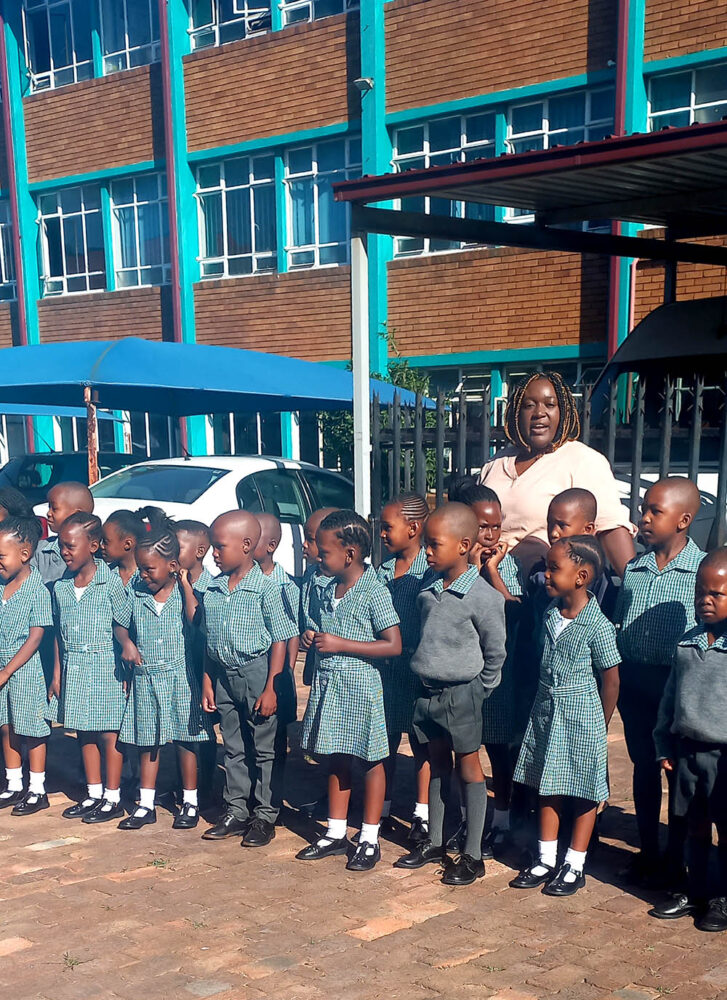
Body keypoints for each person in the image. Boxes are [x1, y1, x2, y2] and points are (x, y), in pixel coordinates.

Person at [394, 503, 506, 887]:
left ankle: (473, 855)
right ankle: (436, 841)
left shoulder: (483, 596)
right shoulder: (428, 587)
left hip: (462, 695)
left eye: (434, 545)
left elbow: (496, 652)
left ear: (462, 546)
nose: (426, 551)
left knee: (469, 769)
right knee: (437, 765)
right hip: (426, 694)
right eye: (425, 544)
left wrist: (480, 689)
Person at [510, 536, 620, 896]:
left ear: (581, 576)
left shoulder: (598, 626)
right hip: (546, 712)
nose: (545, 575)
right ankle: (545, 857)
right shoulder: (549, 614)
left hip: (582, 717)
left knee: (584, 789)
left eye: (554, 568)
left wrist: (599, 724)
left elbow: (611, 678)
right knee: (547, 783)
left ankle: (575, 863)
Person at [296, 510, 402, 873]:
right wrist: (313, 637)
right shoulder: (327, 588)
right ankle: (336, 830)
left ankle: (370, 837)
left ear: (350, 554)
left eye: (325, 553)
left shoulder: (374, 591)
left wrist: (342, 643)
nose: (318, 557)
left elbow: (392, 645)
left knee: (370, 760)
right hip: (331, 684)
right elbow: (322, 629)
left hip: (361, 687)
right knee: (334, 755)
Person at [616, 477, 704, 888]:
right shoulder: (635, 567)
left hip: (677, 688)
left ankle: (678, 858)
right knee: (643, 766)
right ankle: (648, 851)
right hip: (635, 684)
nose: (644, 518)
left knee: (678, 774)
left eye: (655, 511)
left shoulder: (701, 573)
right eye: (644, 509)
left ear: (684, 520)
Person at [200, 512, 297, 848]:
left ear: (245, 546)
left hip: (258, 674)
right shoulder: (212, 589)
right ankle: (237, 808)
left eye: (219, 547)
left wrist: (272, 685)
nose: (213, 553)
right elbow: (207, 639)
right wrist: (208, 680)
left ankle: (266, 813)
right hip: (224, 675)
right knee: (233, 746)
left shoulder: (266, 590)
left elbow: (281, 639)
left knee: (265, 748)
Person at [480, 372, 635, 576]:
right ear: (516, 412)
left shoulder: (582, 460)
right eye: (529, 405)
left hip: (542, 584)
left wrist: (633, 584)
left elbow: (610, 527)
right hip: (484, 580)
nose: (539, 413)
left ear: (563, 411)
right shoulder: (495, 463)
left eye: (550, 404)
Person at [650, 549, 727, 932]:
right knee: (692, 824)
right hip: (687, 752)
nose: (705, 599)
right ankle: (694, 889)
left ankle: (722, 898)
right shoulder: (686, 644)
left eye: (717, 593)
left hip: (723, 757)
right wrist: (664, 744)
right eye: (701, 590)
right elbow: (669, 700)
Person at [118, 516, 210, 831]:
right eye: (140, 568)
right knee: (148, 741)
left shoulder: (186, 593)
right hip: (146, 677)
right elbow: (120, 622)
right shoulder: (136, 591)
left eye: (149, 569)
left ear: (172, 566)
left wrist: (185, 584)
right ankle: (146, 804)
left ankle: (190, 801)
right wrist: (127, 642)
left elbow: (194, 620)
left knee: (186, 741)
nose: (143, 575)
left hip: (181, 677)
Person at [47, 512, 132, 823]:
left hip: (106, 667)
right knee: (84, 731)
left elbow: (124, 625)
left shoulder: (109, 583)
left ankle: (113, 796)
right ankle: (93, 793)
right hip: (75, 667)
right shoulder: (61, 587)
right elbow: (58, 634)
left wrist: (127, 661)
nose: (64, 552)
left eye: (70, 546)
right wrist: (57, 674)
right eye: (61, 546)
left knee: (109, 734)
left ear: (93, 546)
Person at [459, 483, 524, 857]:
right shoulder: (451, 566)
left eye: (496, 527)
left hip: (497, 679)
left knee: (500, 753)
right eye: (483, 527)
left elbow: (511, 611)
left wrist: (492, 572)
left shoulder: (505, 565)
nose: (490, 535)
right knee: (463, 754)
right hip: (461, 677)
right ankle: (469, 820)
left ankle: (501, 821)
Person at [376, 492, 432, 842]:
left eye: (387, 527)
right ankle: (380, 807)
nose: (381, 534)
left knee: (421, 743)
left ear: (413, 528)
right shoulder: (381, 571)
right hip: (386, 669)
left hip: (418, 669)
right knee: (384, 741)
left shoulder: (431, 570)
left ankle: (422, 813)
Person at [0, 516, 53, 815]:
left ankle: (37, 789)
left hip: (24, 670)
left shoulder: (38, 591)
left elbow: (36, 636)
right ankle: (13, 783)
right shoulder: (1, 587)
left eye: (1, 556)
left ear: (24, 554)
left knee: (31, 728)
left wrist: (8, 670)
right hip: (1, 666)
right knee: (6, 726)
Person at [253, 512, 300, 815]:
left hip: (277, 676)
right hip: (251, 672)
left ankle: (272, 801)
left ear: (270, 545)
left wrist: (285, 675)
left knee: (274, 743)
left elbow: (291, 633)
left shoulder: (285, 586)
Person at [176, 518, 218, 804]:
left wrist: (185, 587)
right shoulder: (168, 583)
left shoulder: (210, 587)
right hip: (180, 664)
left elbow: (198, 623)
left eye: (176, 547)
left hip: (204, 664)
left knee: (205, 727)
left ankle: (207, 784)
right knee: (184, 724)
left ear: (200, 550)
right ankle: (184, 784)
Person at [299, 506, 338, 687]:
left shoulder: (341, 580)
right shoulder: (310, 574)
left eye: (311, 540)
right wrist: (306, 634)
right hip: (315, 658)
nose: (304, 544)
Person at [34, 482, 94, 586]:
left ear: (77, 514)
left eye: (54, 508)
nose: (48, 513)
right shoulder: (41, 551)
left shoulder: (96, 551)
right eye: (49, 507)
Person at [101, 509, 145, 590]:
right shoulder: (105, 573)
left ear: (127, 544)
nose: (101, 546)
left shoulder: (145, 578)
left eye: (106, 542)